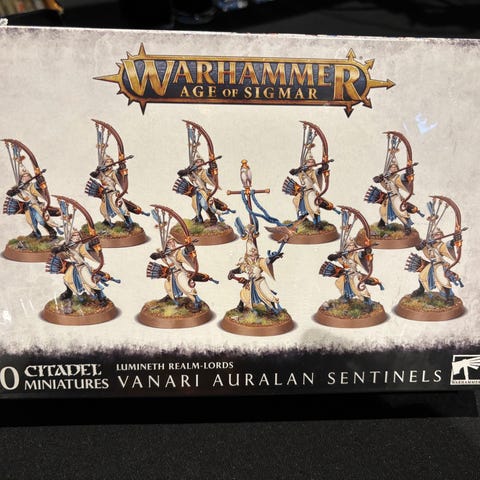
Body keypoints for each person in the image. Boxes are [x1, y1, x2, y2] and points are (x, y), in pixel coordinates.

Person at [148, 236, 215, 312]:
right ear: (166, 245)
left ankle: (197, 303)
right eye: (169, 242)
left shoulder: (176, 252)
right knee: (168, 287)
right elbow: (153, 256)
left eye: (173, 241)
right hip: (172, 274)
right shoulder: (164, 253)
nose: (172, 243)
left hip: (180, 273)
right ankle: (173, 301)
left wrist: (187, 250)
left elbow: (183, 254)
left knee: (187, 288)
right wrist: (158, 255)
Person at [228, 225, 284, 314]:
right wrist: (232, 271)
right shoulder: (245, 264)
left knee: (267, 294)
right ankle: (240, 307)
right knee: (244, 293)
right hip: (251, 283)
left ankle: (273, 308)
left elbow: (267, 261)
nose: (253, 257)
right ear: (247, 256)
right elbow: (239, 270)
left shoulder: (259, 262)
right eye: (251, 256)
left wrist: (274, 257)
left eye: (255, 255)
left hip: (260, 282)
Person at [49, 230, 109, 307]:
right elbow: (54, 250)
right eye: (75, 235)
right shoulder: (67, 246)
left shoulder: (80, 246)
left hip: (82, 267)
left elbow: (85, 247)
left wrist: (91, 243)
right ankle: (69, 293)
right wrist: (61, 248)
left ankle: (102, 298)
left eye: (78, 235)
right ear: (70, 237)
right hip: (74, 267)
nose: (77, 237)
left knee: (90, 281)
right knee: (67, 280)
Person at [409, 228, 462, 305]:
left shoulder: (441, 245)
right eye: (436, 235)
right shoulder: (429, 244)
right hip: (432, 265)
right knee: (422, 276)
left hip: (439, 265)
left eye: (440, 234)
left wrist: (454, 241)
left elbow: (448, 245)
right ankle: (421, 289)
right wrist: (421, 244)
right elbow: (419, 247)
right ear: (432, 237)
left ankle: (449, 297)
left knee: (443, 279)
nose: (438, 236)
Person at [5, 166, 59, 239]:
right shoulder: (19, 187)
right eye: (24, 176)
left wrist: (40, 181)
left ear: (30, 177)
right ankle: (36, 234)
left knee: (41, 220)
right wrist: (14, 191)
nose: (26, 178)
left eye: (27, 176)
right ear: (21, 178)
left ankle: (52, 232)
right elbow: (9, 193)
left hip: (36, 206)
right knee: (31, 222)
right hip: (28, 207)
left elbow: (37, 186)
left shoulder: (32, 186)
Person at [285, 147, 334, 228]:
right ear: (305, 163)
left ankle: (317, 223)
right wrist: (299, 169)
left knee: (314, 205)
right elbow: (292, 172)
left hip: (311, 191)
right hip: (303, 192)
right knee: (297, 202)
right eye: (309, 162)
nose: (311, 163)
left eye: (312, 162)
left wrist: (324, 165)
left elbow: (322, 169)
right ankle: (302, 219)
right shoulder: (301, 172)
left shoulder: (314, 172)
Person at [175, 153, 230, 224]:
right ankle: (199, 219)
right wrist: (187, 171)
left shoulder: (203, 172)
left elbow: (209, 172)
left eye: (201, 162)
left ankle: (213, 218)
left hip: (203, 191)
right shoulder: (191, 172)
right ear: (194, 164)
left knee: (204, 204)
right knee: (196, 206)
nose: (199, 163)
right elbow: (179, 173)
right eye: (197, 162)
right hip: (195, 192)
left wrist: (212, 167)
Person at [87, 155, 134, 230]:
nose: (109, 163)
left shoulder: (113, 172)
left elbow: (119, 172)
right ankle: (107, 221)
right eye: (107, 162)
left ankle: (129, 223)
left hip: (113, 194)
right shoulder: (101, 173)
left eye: (110, 162)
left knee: (121, 208)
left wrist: (122, 166)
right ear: (104, 164)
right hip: (105, 195)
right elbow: (93, 175)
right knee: (103, 210)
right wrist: (97, 170)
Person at [370, 159, 413, 234]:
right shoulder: (386, 177)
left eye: (395, 167)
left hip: (396, 197)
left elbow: (404, 178)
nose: (394, 169)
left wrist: (408, 171)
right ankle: (381, 225)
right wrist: (379, 179)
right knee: (384, 211)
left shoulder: (397, 177)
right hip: (389, 197)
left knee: (400, 211)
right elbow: (383, 185)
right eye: (392, 167)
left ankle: (407, 226)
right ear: (389, 169)